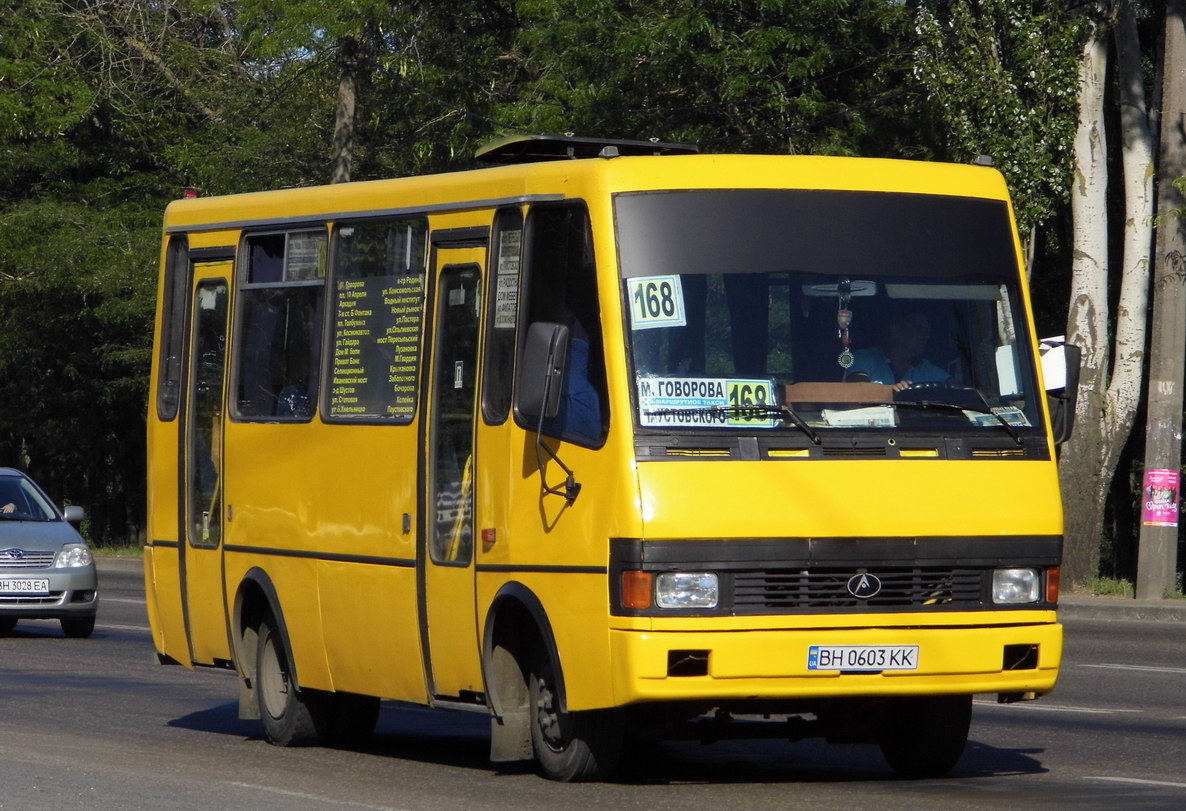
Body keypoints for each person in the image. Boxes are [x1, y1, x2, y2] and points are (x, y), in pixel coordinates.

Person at [847, 309, 949, 391]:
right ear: (896, 330)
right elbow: (857, 390)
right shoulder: (865, 358)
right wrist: (892, 391)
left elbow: (958, 390)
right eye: (919, 329)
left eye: (927, 332)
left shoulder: (925, 369)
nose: (926, 336)